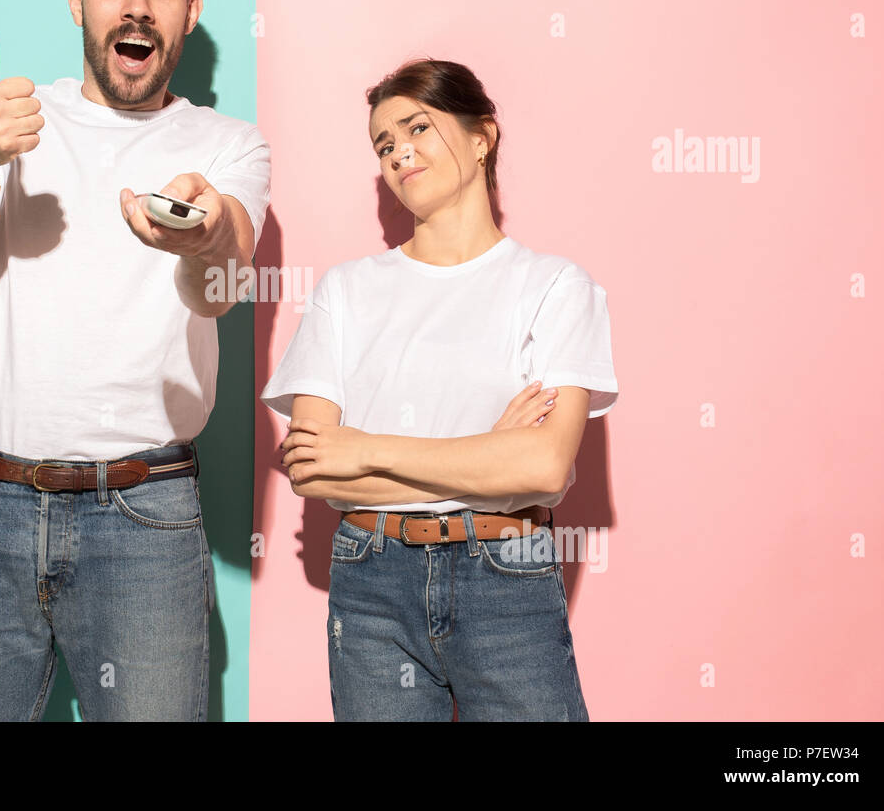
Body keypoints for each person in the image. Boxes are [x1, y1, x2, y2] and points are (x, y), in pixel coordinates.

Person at [0, 0, 270, 721]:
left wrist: (200, 232)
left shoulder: (228, 145)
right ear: (78, 1)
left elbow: (226, 271)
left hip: (144, 517)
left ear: (191, 11)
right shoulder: (9, 126)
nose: (137, 6)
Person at [260, 58, 617, 721]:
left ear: (482, 137)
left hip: (505, 572)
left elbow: (542, 466)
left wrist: (361, 447)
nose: (398, 153)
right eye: (383, 144)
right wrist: (487, 456)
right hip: (370, 581)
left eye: (417, 127)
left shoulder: (554, 287)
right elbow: (314, 468)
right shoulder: (346, 290)